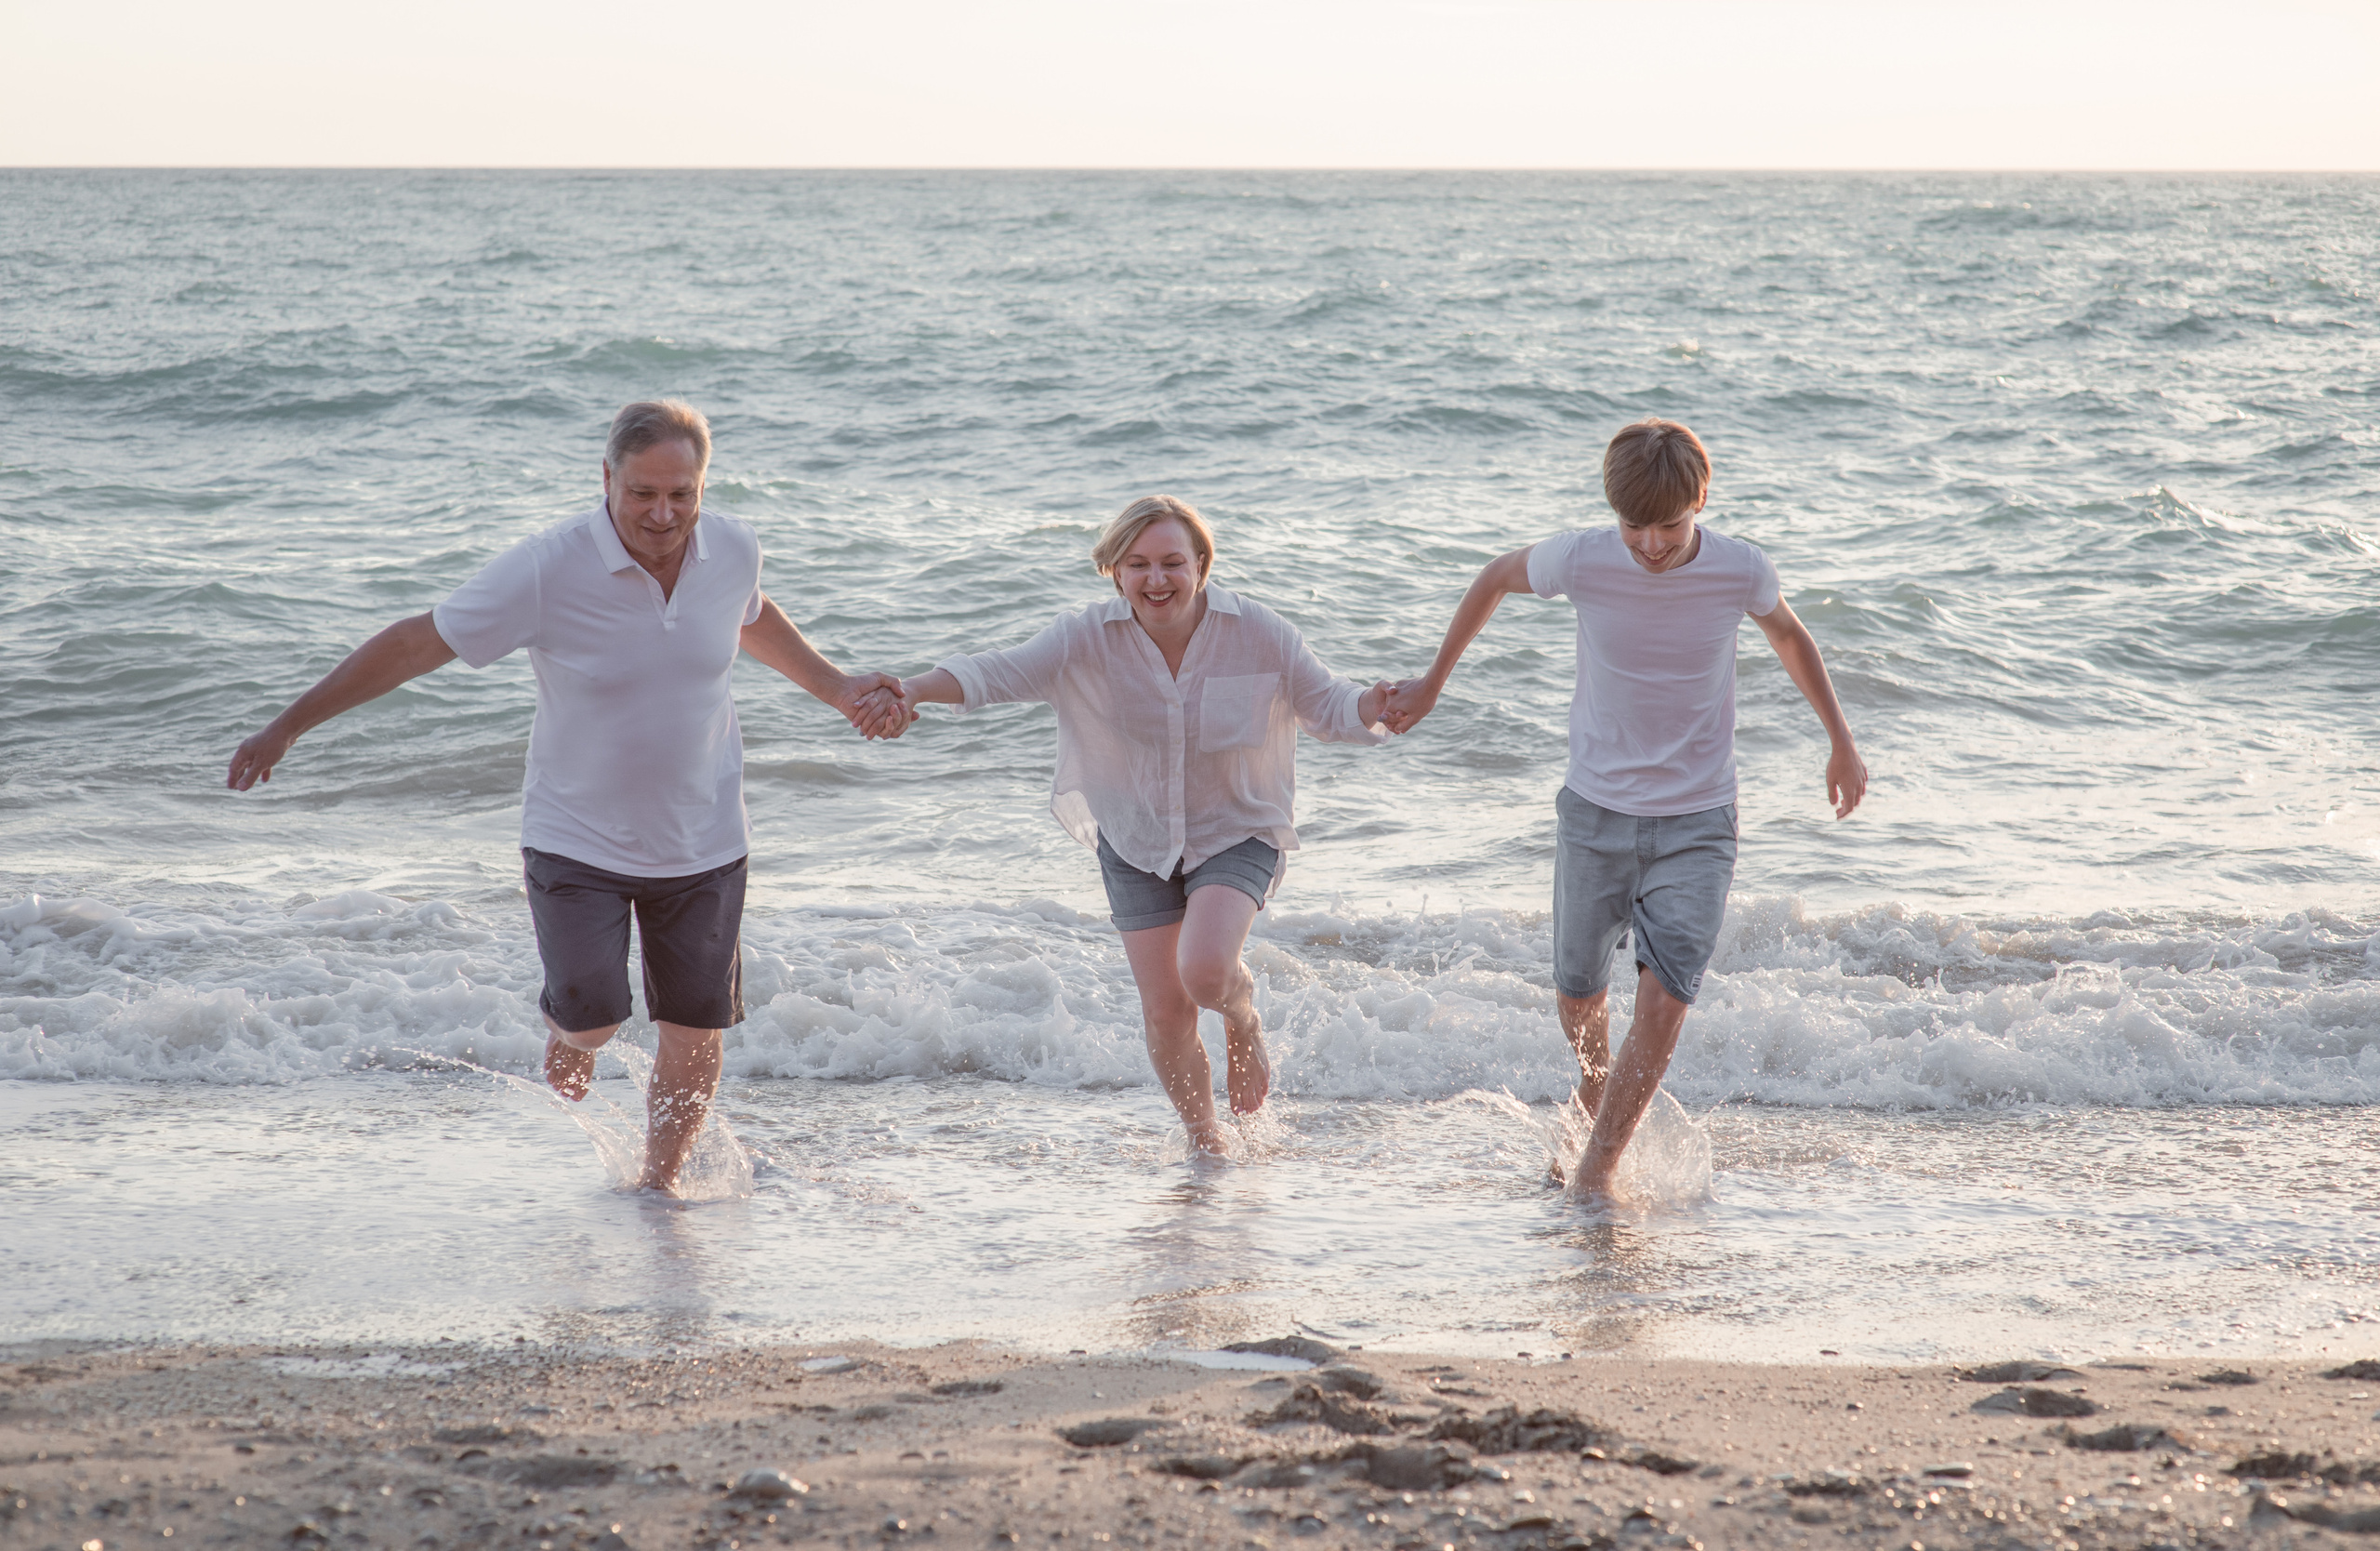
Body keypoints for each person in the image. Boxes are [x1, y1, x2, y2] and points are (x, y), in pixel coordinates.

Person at [225, 400, 908, 1193]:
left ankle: (660, 1187)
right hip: (576, 838)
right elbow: (419, 641)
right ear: (606, 479)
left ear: (702, 487)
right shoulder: (548, 567)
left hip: (707, 839)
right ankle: (574, 1036)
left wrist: (836, 688)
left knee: (694, 1033)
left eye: (681, 495)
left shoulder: (735, 550)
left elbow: (746, 617)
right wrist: (288, 726)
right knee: (594, 1013)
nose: (662, 514)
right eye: (642, 493)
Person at [1382, 418, 1867, 1202]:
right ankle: (1591, 1089)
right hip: (1594, 812)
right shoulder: (1582, 558)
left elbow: (1790, 637)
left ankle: (1595, 1172)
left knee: (1667, 996)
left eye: (1669, 526)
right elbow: (1497, 576)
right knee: (1578, 994)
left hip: (1700, 820)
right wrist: (1436, 680)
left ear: (1700, 502)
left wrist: (1840, 740)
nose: (1650, 544)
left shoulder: (1740, 570)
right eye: (1634, 526)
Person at [875, 497, 1393, 1157]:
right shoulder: (1083, 638)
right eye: (1138, 564)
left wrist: (1371, 706)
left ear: (1201, 566)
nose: (1157, 580)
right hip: (1136, 838)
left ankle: (1243, 1016)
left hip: (1238, 828)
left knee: (1206, 972)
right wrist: (913, 689)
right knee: (1166, 1012)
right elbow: (995, 671)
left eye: (1173, 563)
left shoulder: (1259, 632)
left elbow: (1328, 705)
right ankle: (1206, 1147)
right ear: (1114, 572)